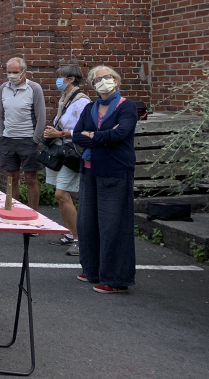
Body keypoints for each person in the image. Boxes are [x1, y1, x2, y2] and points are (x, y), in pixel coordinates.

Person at [72, 65, 137, 294]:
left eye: (107, 77)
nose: (102, 81)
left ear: (116, 81)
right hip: (90, 170)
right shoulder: (90, 108)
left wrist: (92, 135)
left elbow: (120, 134)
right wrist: (101, 137)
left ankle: (116, 280)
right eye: (97, 79)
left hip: (115, 171)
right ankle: (92, 270)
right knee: (86, 223)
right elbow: (77, 135)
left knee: (113, 226)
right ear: (92, 85)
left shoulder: (126, 106)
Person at [43, 65, 90, 256]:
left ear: (71, 79)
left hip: (72, 152)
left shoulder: (82, 102)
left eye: (60, 77)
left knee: (62, 194)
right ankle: (71, 233)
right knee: (60, 195)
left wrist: (60, 133)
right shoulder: (65, 99)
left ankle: (80, 240)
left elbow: (85, 130)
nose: (58, 80)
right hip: (61, 150)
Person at [0, 57, 46, 211]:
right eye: (9, 72)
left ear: (24, 71)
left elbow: (41, 116)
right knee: (11, 178)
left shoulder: (34, 88)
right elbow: (1, 114)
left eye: (15, 72)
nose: (12, 75)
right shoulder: (3, 88)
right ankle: (13, 212)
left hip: (28, 140)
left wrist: (35, 139)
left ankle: (33, 214)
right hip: (8, 140)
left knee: (31, 179)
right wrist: (1, 135)